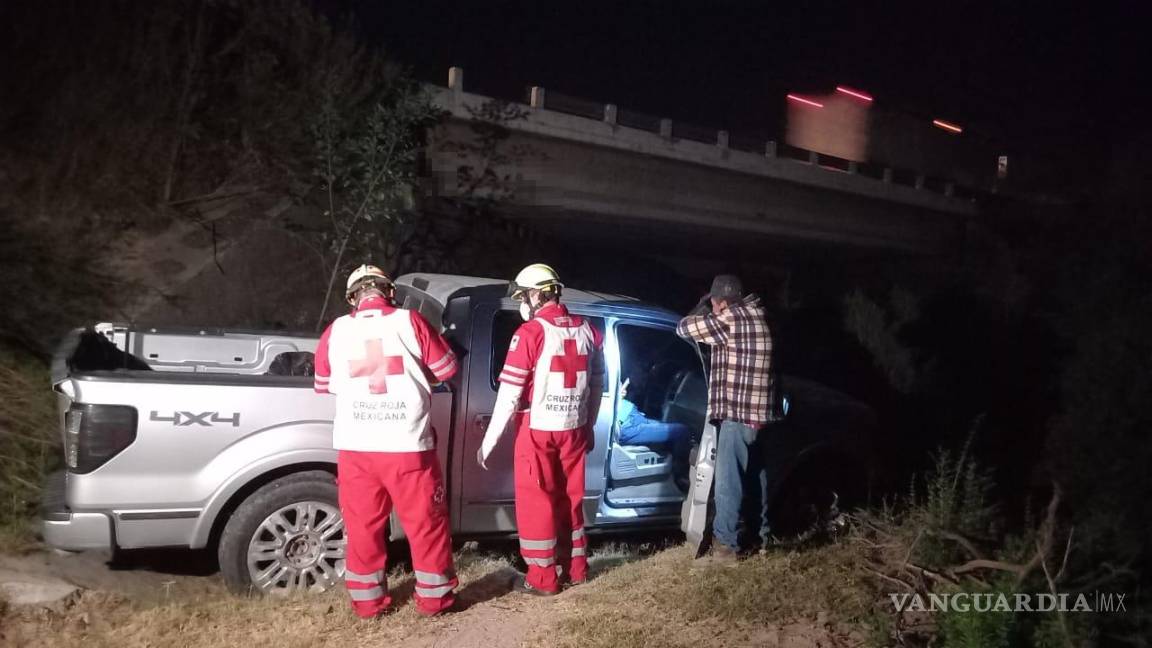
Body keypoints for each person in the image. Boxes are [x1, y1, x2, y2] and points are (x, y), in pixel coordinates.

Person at [314, 264, 460, 618]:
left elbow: (323, 384)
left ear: (353, 298)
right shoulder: (411, 321)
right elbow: (447, 370)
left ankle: (367, 604)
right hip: (408, 447)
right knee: (425, 524)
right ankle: (435, 599)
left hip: (357, 448)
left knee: (363, 526)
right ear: (388, 291)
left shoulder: (335, 330)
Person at [478, 263, 605, 595]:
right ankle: (576, 568)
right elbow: (597, 384)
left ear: (537, 294)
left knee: (538, 502)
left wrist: (488, 442)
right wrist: (589, 425)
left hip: (538, 429)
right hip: (574, 427)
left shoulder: (530, 333)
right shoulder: (589, 330)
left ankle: (543, 579)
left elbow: (509, 395)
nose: (523, 302)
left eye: (524, 295)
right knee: (570, 500)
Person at [676, 274, 775, 561]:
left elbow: (682, 328)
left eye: (714, 302)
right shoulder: (758, 317)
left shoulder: (729, 321)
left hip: (737, 414)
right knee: (757, 480)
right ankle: (761, 538)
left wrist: (701, 306)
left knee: (728, 482)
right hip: (759, 417)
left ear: (719, 302)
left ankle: (726, 545)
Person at [616, 375, 691, 488]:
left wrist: (618, 395)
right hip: (626, 426)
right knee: (681, 431)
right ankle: (680, 477)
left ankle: (669, 473)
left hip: (632, 415)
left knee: (667, 428)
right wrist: (617, 397)